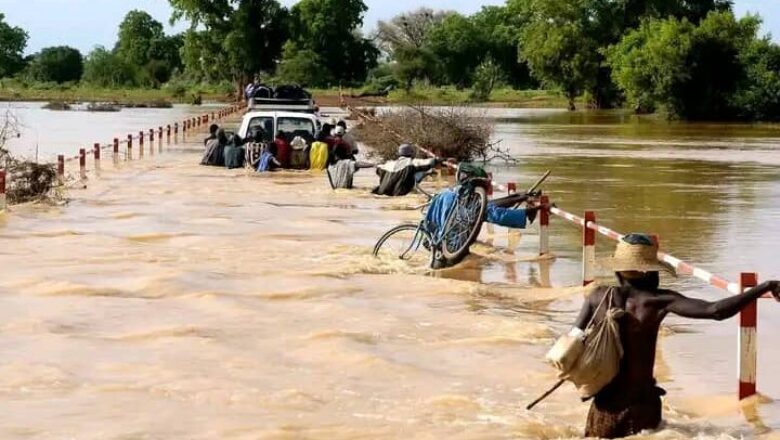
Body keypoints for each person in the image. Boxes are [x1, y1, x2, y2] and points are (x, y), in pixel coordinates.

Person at [570, 233, 780, 439]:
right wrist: (764, 287)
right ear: (650, 269)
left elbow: (571, 342)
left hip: (603, 406)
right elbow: (715, 310)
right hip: (641, 406)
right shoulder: (659, 300)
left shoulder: (596, 296)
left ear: (618, 268)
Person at [372, 144, 441, 197]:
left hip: (381, 193)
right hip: (399, 194)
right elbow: (431, 162)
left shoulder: (388, 164)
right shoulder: (411, 162)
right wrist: (442, 159)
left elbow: (378, 169)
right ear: (411, 153)